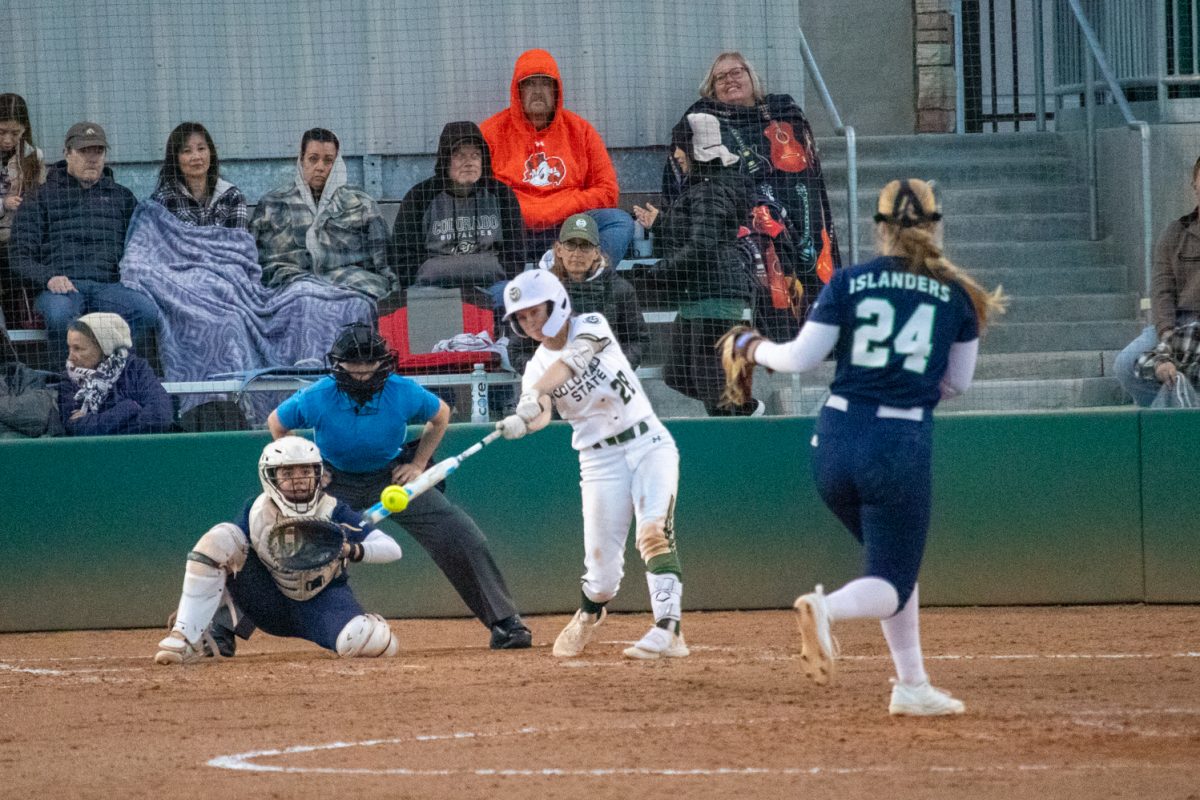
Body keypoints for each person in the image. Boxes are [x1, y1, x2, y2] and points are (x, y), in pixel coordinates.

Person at [722, 179, 1005, 715]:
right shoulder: (957, 294)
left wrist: (751, 346)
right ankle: (824, 608)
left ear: (879, 229)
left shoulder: (850, 281)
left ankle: (912, 685)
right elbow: (959, 383)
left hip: (832, 439)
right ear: (936, 225)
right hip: (897, 444)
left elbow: (802, 358)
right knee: (892, 581)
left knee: (890, 568)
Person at [265, 323, 532, 649]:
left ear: (383, 362)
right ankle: (225, 627)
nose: (362, 371)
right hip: (335, 482)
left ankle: (505, 623)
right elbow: (277, 423)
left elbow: (441, 415)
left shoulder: (402, 390)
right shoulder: (319, 395)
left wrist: (418, 465)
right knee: (283, 540)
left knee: (459, 532)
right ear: (338, 364)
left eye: (369, 363)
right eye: (353, 363)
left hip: (391, 478)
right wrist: (312, 467)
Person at [496, 269, 687, 660]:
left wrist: (535, 393)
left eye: (535, 312)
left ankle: (669, 629)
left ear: (556, 302)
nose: (530, 323)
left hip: (648, 441)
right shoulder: (534, 368)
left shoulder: (592, 324)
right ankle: (589, 611)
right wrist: (524, 419)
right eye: (522, 317)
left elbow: (572, 361)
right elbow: (543, 413)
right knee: (601, 580)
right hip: (599, 460)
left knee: (654, 532)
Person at [155, 436, 404, 664]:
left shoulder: (335, 510)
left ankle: (364, 632)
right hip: (267, 600)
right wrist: (200, 603)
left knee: (373, 643)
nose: (298, 480)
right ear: (270, 477)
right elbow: (224, 554)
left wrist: (350, 548)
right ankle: (188, 635)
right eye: (287, 472)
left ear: (318, 474)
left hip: (323, 602)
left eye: (305, 471)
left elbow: (392, 549)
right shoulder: (255, 510)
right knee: (221, 538)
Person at [671, 51, 841, 338]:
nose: (729, 80)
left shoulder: (783, 110)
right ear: (712, 89)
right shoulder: (702, 118)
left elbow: (807, 168)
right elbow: (690, 174)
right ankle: (784, 337)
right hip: (739, 213)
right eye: (720, 78)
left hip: (796, 203)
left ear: (751, 77)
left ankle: (819, 335)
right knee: (766, 235)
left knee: (805, 236)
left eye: (736, 72)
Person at [633, 117, 760, 416]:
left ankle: (737, 432)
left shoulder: (710, 190)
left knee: (710, 381)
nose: (676, 157)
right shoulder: (703, 187)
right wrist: (661, 223)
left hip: (715, 296)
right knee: (677, 374)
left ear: (692, 149)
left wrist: (657, 273)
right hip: (696, 295)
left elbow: (702, 246)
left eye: (680, 150)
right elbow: (699, 234)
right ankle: (748, 410)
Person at [9, 122, 159, 369]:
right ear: (67, 153)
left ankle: (116, 378)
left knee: (145, 311)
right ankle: (69, 387)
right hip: (61, 289)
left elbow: (140, 249)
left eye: (98, 152)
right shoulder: (40, 197)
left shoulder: (121, 197)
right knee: (59, 317)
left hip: (109, 287)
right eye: (84, 151)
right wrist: (49, 278)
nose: (92, 159)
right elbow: (18, 256)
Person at [480, 49, 634, 266]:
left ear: (556, 89)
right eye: (530, 83)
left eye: (545, 83)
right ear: (518, 90)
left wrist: (560, 209)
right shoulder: (490, 133)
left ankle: (589, 283)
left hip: (569, 229)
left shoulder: (580, 131)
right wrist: (527, 212)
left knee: (619, 222)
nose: (537, 91)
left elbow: (608, 190)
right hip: (514, 232)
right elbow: (479, 194)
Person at [249, 128, 395, 302]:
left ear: (337, 163)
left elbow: (383, 263)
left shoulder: (361, 203)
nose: (320, 167)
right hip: (292, 283)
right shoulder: (273, 203)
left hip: (351, 283)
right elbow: (250, 257)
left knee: (359, 305)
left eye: (328, 161)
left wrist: (392, 291)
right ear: (301, 160)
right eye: (313, 159)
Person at [389, 121, 524, 292]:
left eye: (475, 155)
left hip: (492, 285)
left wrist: (499, 271)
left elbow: (516, 251)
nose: (469, 163)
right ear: (445, 160)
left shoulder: (501, 194)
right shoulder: (419, 197)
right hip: (434, 287)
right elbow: (402, 256)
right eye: (460, 156)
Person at [510, 214, 649, 374]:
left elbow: (638, 340)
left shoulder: (620, 289)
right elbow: (517, 349)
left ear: (596, 252)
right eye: (571, 245)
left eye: (585, 246)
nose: (577, 253)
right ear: (559, 249)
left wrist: (611, 371)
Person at [1114, 156, 1200, 406]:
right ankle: (1178, 413)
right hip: (1177, 323)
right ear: (1194, 185)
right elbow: (1162, 292)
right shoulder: (1175, 233)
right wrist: (1167, 339)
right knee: (1126, 365)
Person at [57, 312, 173, 436]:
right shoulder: (70, 378)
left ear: (103, 347)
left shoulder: (137, 369)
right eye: (69, 348)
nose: (70, 357)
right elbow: (77, 429)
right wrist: (129, 407)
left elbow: (161, 417)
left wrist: (98, 422)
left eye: (78, 349)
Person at [0, 93, 46, 327]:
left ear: (24, 129)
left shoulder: (32, 156)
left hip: (19, 237)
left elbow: (41, 197)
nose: (8, 140)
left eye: (15, 133)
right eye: (1, 132)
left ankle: (24, 322)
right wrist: (3, 204)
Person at [150, 121, 247, 229]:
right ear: (175, 158)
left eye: (201, 149)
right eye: (187, 151)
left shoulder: (232, 196)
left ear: (211, 152)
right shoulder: (163, 199)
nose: (196, 157)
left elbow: (240, 242)